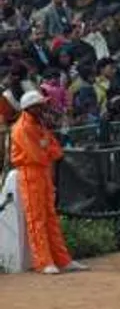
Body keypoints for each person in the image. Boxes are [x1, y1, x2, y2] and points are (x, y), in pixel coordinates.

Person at [9, 89, 80, 274]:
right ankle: (44, 262)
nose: (44, 108)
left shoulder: (39, 125)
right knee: (36, 219)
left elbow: (55, 150)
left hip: (43, 172)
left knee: (50, 217)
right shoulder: (21, 128)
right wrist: (47, 150)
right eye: (40, 105)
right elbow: (37, 154)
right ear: (31, 108)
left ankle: (62, 260)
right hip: (30, 173)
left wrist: (47, 150)